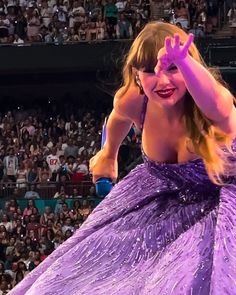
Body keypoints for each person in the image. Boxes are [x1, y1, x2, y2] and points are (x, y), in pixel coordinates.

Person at [8, 21, 236, 295]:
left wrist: (184, 63)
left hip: (221, 203)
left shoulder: (212, 103)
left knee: (182, 282)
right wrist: (108, 154)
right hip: (161, 200)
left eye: (173, 68)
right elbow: (116, 119)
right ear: (136, 75)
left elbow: (219, 105)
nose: (163, 81)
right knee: (78, 271)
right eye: (150, 72)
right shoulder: (135, 100)